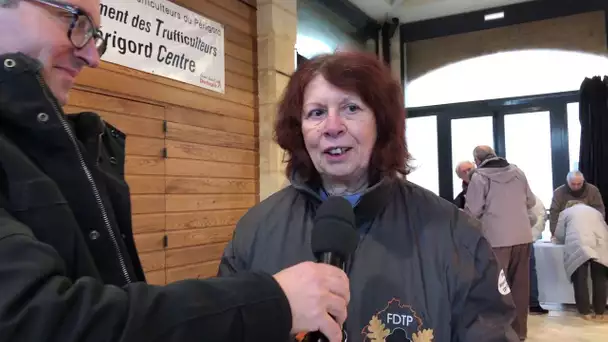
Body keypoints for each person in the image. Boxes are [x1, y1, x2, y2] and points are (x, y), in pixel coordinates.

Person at [0, 1, 350, 341]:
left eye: (351, 108)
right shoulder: (257, 226)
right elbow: (43, 319)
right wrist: (273, 304)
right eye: (76, 22)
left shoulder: (59, 148)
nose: (92, 56)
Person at [218, 51, 519, 341]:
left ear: (381, 123)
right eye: (317, 112)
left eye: (351, 108)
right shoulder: (254, 231)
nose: (333, 127)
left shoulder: (456, 235)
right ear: (299, 130)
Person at [465, 146, 536, 341]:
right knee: (520, 287)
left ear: (477, 160)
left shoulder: (480, 177)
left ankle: (500, 334)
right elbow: (530, 201)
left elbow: (472, 211)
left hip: (496, 239)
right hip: (523, 236)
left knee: (497, 288)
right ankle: (520, 332)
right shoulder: (518, 172)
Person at [554, 200, 608, 321]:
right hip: (600, 243)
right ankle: (600, 312)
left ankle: (585, 312)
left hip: (579, 245)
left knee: (580, 279)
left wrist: (557, 239)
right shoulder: (596, 212)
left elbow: (560, 235)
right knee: (600, 278)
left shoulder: (566, 212)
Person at [550, 171, 605, 238]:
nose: (576, 187)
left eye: (579, 184)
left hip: (589, 229)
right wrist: (554, 233)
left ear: (583, 181)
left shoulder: (593, 191)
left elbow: (599, 211)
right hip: (566, 229)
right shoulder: (558, 193)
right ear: (567, 182)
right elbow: (554, 214)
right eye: (573, 184)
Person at [527, 194, 549, 314]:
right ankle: (533, 303)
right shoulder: (533, 199)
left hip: (521, 238)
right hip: (526, 238)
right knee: (530, 271)